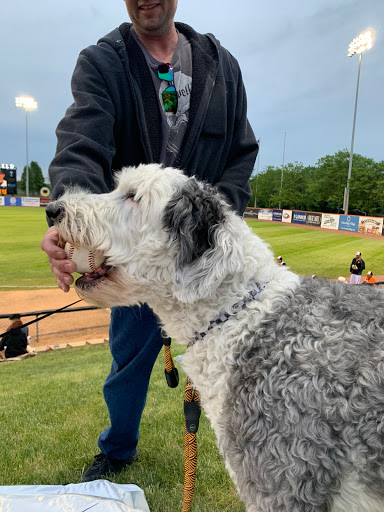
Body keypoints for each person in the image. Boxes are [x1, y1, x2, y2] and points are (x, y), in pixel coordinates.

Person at [40, 0, 258, 482]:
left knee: (236, 365)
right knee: (128, 363)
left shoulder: (222, 67)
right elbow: (81, 142)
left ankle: (253, 451)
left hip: (206, 262)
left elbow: (242, 152)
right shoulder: (104, 62)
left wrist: (206, 221)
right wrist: (68, 222)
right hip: (137, 259)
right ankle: (118, 448)